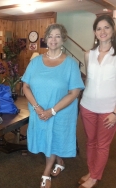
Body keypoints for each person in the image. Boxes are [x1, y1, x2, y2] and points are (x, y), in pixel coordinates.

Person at [21, 24, 84, 188]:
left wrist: (52, 110)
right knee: (46, 140)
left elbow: (74, 92)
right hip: (38, 111)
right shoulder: (35, 62)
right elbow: (25, 86)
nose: (53, 39)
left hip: (60, 112)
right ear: (46, 39)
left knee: (54, 138)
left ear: (63, 39)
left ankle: (46, 172)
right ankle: (59, 160)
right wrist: (37, 107)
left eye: (57, 36)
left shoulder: (70, 64)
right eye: (50, 36)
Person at [78, 15, 116, 188]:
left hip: (109, 110)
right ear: (94, 32)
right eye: (99, 28)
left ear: (113, 30)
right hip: (87, 106)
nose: (103, 31)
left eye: (106, 27)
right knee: (90, 142)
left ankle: (94, 177)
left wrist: (115, 112)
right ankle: (91, 171)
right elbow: (89, 81)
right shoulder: (88, 54)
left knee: (102, 145)